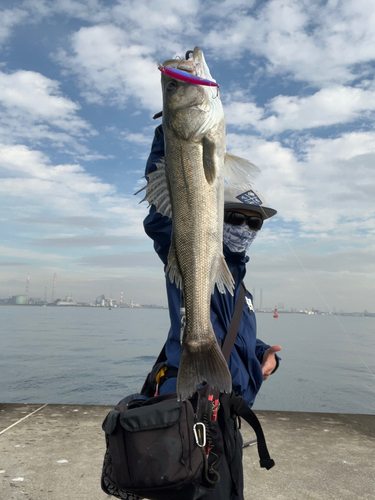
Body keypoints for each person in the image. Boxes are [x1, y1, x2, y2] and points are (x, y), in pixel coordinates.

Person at [142, 124, 281, 500]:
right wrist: (173, 134)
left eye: (255, 222)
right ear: (213, 212)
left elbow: (232, 335)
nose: (245, 227)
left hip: (228, 422)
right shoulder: (195, 253)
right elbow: (161, 218)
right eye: (235, 217)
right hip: (193, 416)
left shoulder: (240, 286)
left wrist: (262, 357)